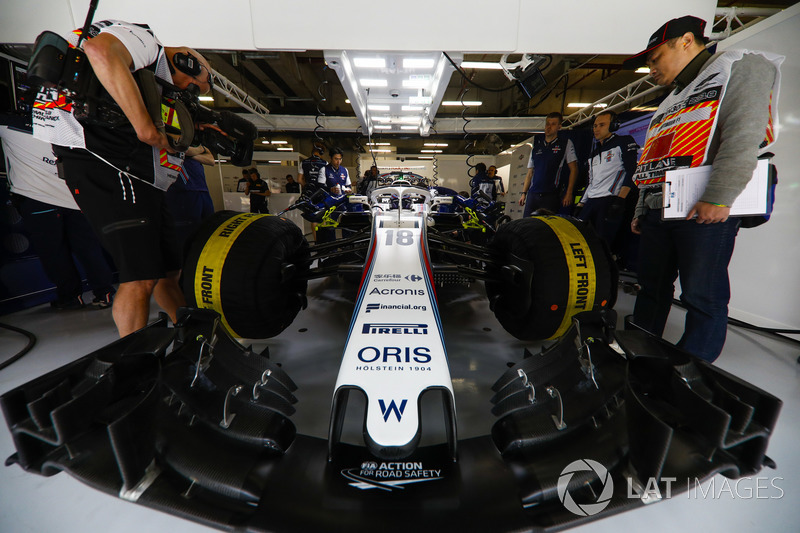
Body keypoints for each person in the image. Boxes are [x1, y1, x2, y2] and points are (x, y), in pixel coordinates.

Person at [32, 19, 214, 337]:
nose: (188, 93)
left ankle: (193, 340)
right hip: (100, 159)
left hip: (128, 168)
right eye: (194, 87)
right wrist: (145, 127)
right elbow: (100, 51)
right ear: (187, 60)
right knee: (139, 277)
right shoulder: (145, 41)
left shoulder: (144, 75)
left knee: (168, 272)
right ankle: (134, 366)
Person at [624, 15, 782, 362]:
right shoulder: (672, 99)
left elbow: (743, 137)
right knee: (651, 289)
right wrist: (641, 208)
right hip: (658, 209)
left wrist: (719, 196)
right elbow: (654, 155)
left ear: (685, 41)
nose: (651, 68)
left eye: (655, 58)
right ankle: (639, 358)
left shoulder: (738, 68)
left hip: (702, 210)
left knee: (701, 295)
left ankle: (689, 371)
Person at [1, 118, 116, 310]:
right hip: (75, 199)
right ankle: (105, 293)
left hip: (38, 200)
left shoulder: (8, 126)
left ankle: (71, 297)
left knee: (54, 253)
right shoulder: (66, 127)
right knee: (89, 249)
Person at [576, 111, 639, 244]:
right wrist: (581, 203)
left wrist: (620, 200)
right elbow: (591, 181)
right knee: (581, 239)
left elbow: (632, 171)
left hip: (609, 201)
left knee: (602, 244)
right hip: (591, 201)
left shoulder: (623, 142)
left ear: (613, 126)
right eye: (595, 126)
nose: (596, 129)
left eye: (601, 125)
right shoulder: (593, 153)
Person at [519, 112, 578, 217]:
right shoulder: (536, 147)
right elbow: (529, 173)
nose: (549, 127)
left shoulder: (566, 144)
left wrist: (569, 193)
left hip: (551, 194)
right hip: (533, 194)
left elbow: (573, 169)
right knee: (526, 226)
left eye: (553, 124)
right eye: (547, 124)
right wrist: (524, 193)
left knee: (546, 228)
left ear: (559, 126)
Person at [165, 145, 215, 251]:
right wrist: (199, 151)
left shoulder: (192, 141)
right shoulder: (168, 136)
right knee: (187, 235)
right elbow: (177, 148)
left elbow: (211, 160)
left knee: (210, 229)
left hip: (202, 190)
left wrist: (192, 153)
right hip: (183, 191)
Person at [316, 147, 351, 243]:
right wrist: (330, 189)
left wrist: (348, 190)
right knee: (330, 228)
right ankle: (331, 249)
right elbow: (320, 187)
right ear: (331, 158)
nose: (338, 161)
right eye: (336, 159)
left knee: (346, 226)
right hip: (330, 203)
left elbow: (348, 185)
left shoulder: (345, 170)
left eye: (340, 159)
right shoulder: (324, 170)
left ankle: (346, 246)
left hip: (342, 203)